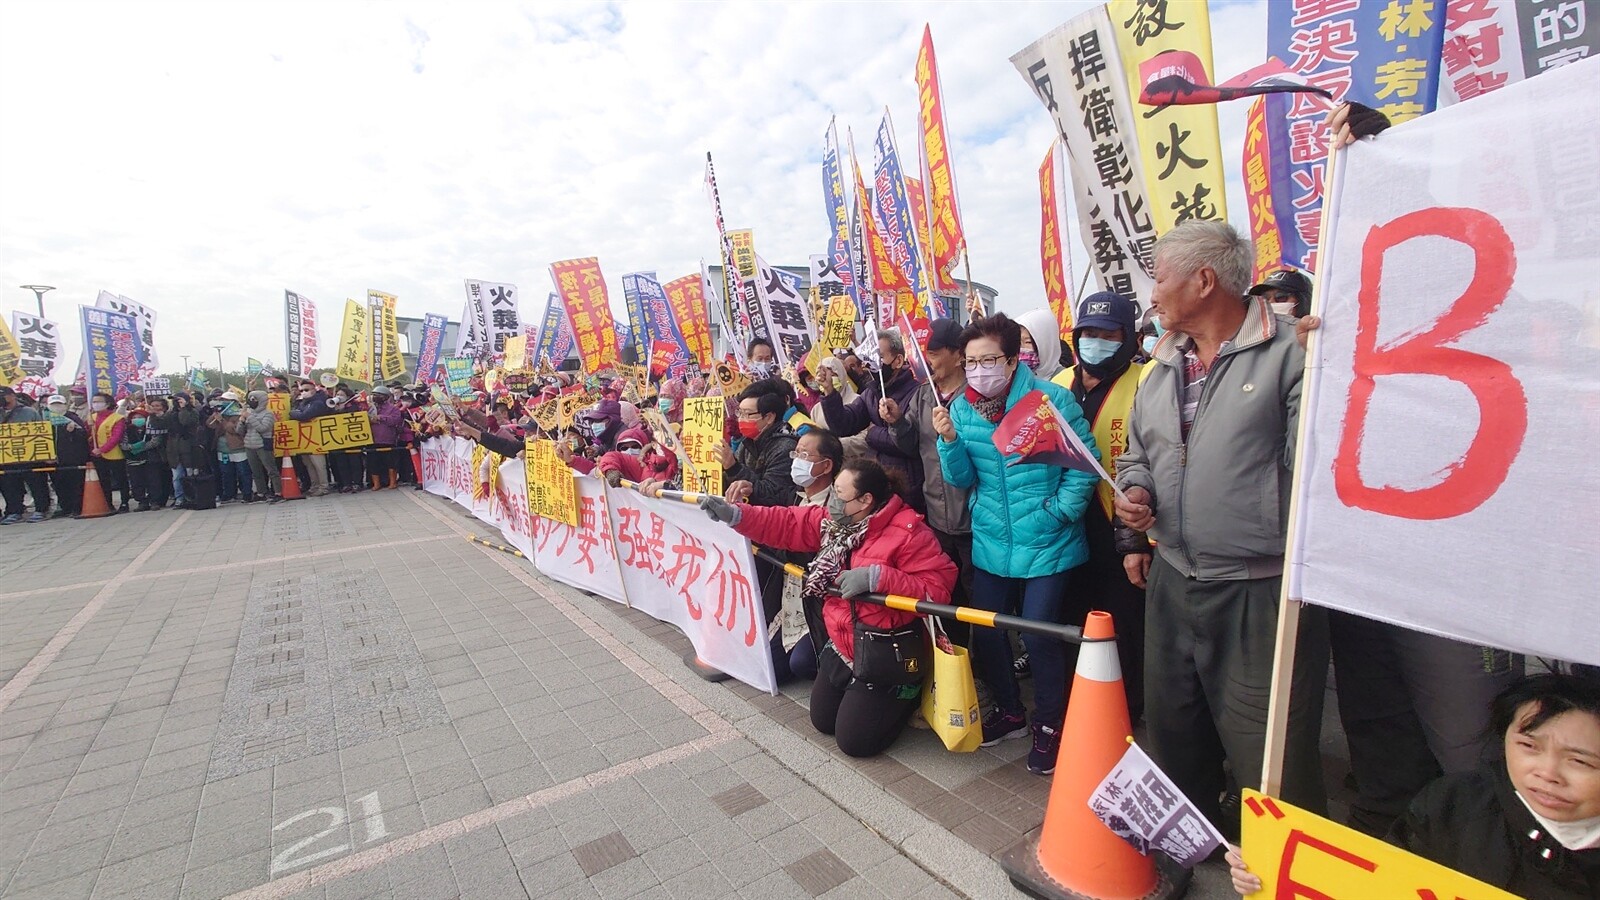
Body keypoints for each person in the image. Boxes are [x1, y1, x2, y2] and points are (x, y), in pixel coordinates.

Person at [1114, 220, 1329, 830]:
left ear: (1204, 281)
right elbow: (1138, 454)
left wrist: (1331, 375)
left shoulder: (1296, 351)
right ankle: (1190, 843)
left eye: (1159, 278)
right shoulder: (1161, 365)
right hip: (1175, 575)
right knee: (1175, 727)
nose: (1151, 294)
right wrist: (1136, 493)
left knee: (1270, 750)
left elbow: (1318, 462)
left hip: (1260, 586)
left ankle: (1279, 864)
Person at [1229, 673, 1600, 899]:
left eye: (1580, 761)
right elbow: (1380, 883)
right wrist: (1266, 872)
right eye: (1529, 746)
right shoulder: (1452, 803)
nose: (1547, 773)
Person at [701, 459, 957, 757]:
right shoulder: (834, 523)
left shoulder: (909, 532)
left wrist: (880, 577)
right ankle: (863, 693)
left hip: (886, 649)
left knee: (855, 743)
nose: (832, 501)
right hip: (843, 642)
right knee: (822, 721)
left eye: (840, 495)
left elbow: (938, 590)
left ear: (866, 500)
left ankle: (908, 694)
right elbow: (785, 522)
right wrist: (735, 515)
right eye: (834, 491)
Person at [934, 313, 1099, 775]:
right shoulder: (961, 409)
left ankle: (1051, 724)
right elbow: (962, 478)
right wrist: (949, 441)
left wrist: (1058, 512)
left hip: (1048, 539)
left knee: (1039, 632)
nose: (979, 370)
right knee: (986, 627)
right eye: (971, 362)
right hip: (992, 540)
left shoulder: (1050, 400)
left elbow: (1085, 464)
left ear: (1012, 360)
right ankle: (1010, 712)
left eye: (989, 360)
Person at [1057, 291, 1149, 720]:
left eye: (1108, 334)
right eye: (1088, 334)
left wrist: (1137, 541)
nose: (1096, 342)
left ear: (1128, 338)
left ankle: (1128, 708)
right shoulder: (1058, 384)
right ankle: (1088, 702)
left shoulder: (1147, 381)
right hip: (1065, 526)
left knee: (1126, 625)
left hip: (1122, 526)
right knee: (1075, 616)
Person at [882, 318, 974, 644]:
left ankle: (995, 676)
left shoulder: (977, 394)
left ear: (958, 354)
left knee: (982, 605)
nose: (928, 359)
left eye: (934, 352)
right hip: (937, 516)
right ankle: (958, 667)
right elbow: (910, 446)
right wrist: (896, 422)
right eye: (925, 352)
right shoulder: (923, 395)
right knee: (946, 600)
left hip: (976, 519)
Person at [816, 329, 925, 512]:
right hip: (877, 482)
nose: (870, 364)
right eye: (868, 359)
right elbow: (844, 424)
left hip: (908, 485)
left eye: (878, 357)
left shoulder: (917, 393)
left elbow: (909, 444)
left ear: (897, 361)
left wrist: (872, 433)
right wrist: (829, 393)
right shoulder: (871, 393)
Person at [0, 386, 51, 524]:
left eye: (3, 396)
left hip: (30, 456)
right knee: (9, 486)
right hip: (6, 457)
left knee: (36, 483)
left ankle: (42, 509)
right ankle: (15, 511)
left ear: (13, 396)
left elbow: (41, 432)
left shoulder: (28, 412)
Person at [43, 394, 90, 518]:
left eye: (59, 404)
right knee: (58, 485)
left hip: (72, 460)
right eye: (53, 404)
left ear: (65, 405)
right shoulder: (44, 419)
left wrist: (74, 431)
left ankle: (77, 508)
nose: (56, 407)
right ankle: (65, 507)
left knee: (75, 485)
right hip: (52, 460)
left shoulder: (72, 418)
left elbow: (84, 437)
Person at [289, 377, 333, 496]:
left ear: (314, 390)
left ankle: (324, 486)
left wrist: (294, 413)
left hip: (316, 438)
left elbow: (304, 416)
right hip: (305, 438)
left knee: (318, 464)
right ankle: (315, 485)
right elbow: (298, 412)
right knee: (309, 464)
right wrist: (296, 413)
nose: (303, 392)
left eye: (306, 390)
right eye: (301, 390)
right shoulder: (304, 402)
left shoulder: (318, 402)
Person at [88, 392, 130, 513]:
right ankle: (108, 504)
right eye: (94, 401)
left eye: (99, 401)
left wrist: (102, 449)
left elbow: (115, 437)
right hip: (96, 455)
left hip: (114, 454)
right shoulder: (92, 418)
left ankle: (124, 502)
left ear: (107, 403)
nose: (96, 404)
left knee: (120, 479)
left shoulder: (117, 418)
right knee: (103, 480)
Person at [211, 392, 254, 503]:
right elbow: (210, 424)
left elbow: (235, 430)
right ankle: (229, 493)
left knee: (243, 472)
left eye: (226, 400)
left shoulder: (239, 414)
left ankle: (247, 493)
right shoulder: (221, 413)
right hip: (223, 450)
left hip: (238, 448)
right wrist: (216, 415)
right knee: (226, 472)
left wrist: (223, 421)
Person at [120, 405, 162, 511]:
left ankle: (154, 501)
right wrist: (132, 447)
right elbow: (123, 444)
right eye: (134, 418)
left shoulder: (151, 428)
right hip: (133, 460)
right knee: (136, 482)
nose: (136, 419)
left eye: (139, 417)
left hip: (149, 458)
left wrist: (142, 446)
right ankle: (142, 501)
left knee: (153, 481)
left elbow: (155, 441)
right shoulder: (127, 430)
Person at [240, 391, 279, 501]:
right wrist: (242, 421)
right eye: (251, 399)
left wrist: (250, 417)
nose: (252, 401)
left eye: (254, 399)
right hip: (249, 445)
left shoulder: (268, 414)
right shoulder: (248, 413)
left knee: (271, 469)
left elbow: (263, 428)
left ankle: (278, 491)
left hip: (263, 444)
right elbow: (240, 431)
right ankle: (261, 492)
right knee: (255, 471)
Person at [366, 385, 406, 489]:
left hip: (387, 440)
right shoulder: (369, 408)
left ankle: (392, 482)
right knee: (373, 463)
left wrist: (381, 418)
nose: (375, 397)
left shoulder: (393, 409)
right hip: (372, 439)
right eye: (374, 395)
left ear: (385, 397)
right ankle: (376, 484)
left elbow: (395, 420)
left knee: (390, 463)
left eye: (378, 395)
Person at [1014, 308, 1068, 382]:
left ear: (1047, 344)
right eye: (1017, 342)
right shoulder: (1015, 380)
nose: (1021, 348)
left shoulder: (1067, 380)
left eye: (1028, 342)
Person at [139, 396, 173, 509]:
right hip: (152, 454)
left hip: (165, 451)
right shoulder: (147, 417)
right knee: (154, 478)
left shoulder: (166, 417)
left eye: (157, 406)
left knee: (165, 477)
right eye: (152, 406)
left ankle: (163, 499)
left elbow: (157, 436)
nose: (155, 408)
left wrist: (143, 447)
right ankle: (155, 500)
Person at [1246, 269, 1313, 320]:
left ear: (1303, 302)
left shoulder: (1316, 336)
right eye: (1265, 299)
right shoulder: (1252, 336)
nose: (1270, 303)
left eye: (1280, 297)